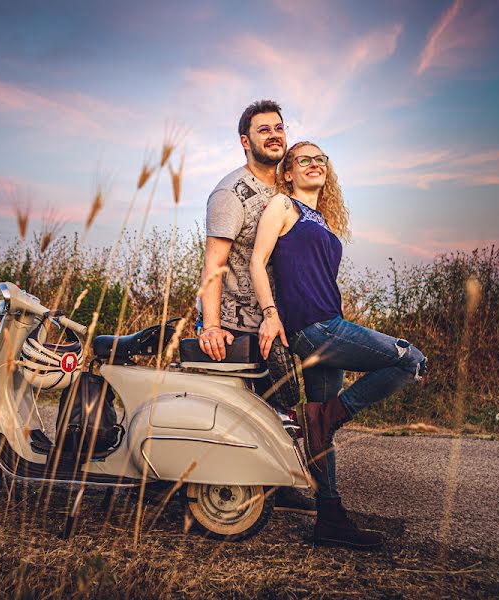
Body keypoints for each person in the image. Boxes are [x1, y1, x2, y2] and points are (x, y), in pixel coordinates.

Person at [250, 141, 427, 549]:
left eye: (320, 159)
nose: (314, 164)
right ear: (288, 173)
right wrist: (270, 312)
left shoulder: (323, 220)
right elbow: (258, 261)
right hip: (316, 328)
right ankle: (335, 413)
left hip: (328, 324)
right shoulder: (283, 207)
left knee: (318, 430)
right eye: (303, 160)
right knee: (410, 360)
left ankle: (329, 518)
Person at [199, 100, 312, 516]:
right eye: (264, 130)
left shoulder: (286, 189)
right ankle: (255, 487)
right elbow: (214, 264)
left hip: (279, 319)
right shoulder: (232, 193)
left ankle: (279, 479)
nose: (275, 135)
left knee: (285, 404)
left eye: (279, 127)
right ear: (246, 142)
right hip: (238, 323)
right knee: (254, 411)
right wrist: (211, 325)